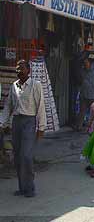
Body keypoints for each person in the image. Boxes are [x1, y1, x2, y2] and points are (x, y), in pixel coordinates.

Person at [0, 60, 46, 197]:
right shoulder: (14, 86)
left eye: (21, 68)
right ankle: (22, 188)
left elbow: (41, 106)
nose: (18, 71)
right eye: (17, 69)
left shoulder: (35, 85)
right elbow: (8, 106)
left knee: (26, 155)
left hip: (29, 122)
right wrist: (3, 123)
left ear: (28, 70)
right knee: (18, 156)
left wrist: (41, 127)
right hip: (17, 122)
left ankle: (30, 188)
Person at [76, 58, 94, 131]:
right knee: (82, 111)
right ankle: (79, 127)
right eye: (84, 63)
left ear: (89, 63)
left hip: (92, 95)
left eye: (86, 63)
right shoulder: (82, 70)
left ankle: (93, 127)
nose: (85, 64)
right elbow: (78, 79)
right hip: (83, 94)